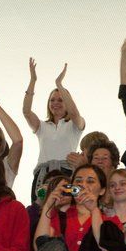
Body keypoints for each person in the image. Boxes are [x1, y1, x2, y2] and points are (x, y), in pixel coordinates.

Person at [23, 60, 86, 202]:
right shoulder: (42, 126)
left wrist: (59, 84)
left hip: (67, 173)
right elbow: (26, 111)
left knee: (66, 205)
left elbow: (74, 113)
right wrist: (33, 80)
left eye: (60, 100)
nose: (55, 103)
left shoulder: (74, 124)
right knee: (40, 208)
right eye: (52, 100)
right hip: (43, 174)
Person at [34, 164, 126, 251]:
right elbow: (40, 247)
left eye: (90, 181)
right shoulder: (58, 216)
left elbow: (105, 250)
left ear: (102, 190)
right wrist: (47, 206)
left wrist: (94, 210)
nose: (82, 185)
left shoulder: (110, 221)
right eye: (78, 181)